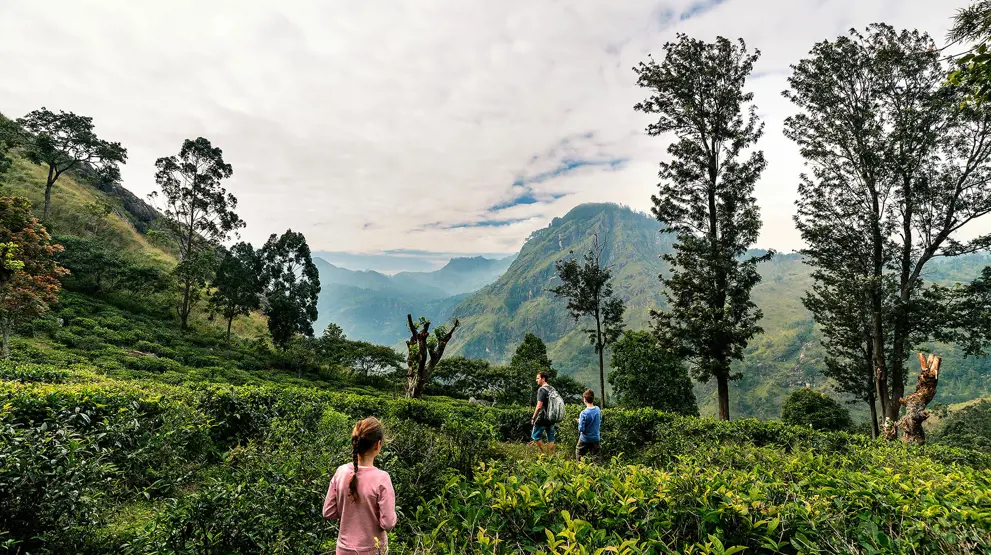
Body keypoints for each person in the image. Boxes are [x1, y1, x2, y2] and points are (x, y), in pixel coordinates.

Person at [323, 417, 397, 555]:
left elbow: (328, 512)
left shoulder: (341, 472)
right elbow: (387, 523)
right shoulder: (382, 478)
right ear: (378, 445)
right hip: (373, 550)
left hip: (343, 549)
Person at [530, 370, 556, 456]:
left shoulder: (542, 390)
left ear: (543, 379)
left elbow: (539, 406)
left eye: (538, 378)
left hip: (543, 418)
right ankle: (551, 456)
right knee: (551, 438)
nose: (536, 380)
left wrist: (533, 418)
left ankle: (544, 454)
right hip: (552, 417)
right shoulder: (552, 389)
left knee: (535, 436)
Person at [576, 388, 601, 464]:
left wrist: (579, 422)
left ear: (585, 399)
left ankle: (580, 470)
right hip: (596, 438)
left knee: (579, 454)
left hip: (585, 438)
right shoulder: (598, 409)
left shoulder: (584, 413)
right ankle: (598, 472)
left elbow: (581, 429)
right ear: (593, 399)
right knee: (596, 457)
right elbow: (600, 421)